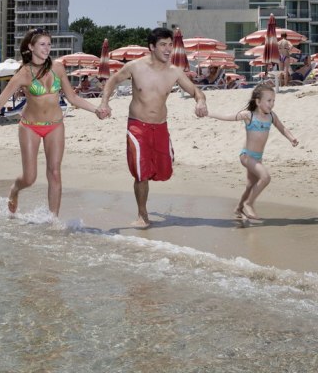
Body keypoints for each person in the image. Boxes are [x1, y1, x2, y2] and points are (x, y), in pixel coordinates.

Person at [0, 28, 107, 217]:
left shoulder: (58, 68)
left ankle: (53, 220)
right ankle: (15, 189)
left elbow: (73, 97)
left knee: (55, 173)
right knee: (29, 178)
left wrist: (96, 110)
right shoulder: (23, 74)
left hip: (55, 125)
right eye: (42, 44)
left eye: (49, 44)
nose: (47, 48)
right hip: (30, 127)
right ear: (31, 47)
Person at [97, 27, 208, 228]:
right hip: (137, 126)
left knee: (164, 171)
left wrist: (200, 102)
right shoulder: (135, 67)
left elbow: (196, 91)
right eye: (163, 45)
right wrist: (105, 102)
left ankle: (146, 206)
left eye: (170, 45)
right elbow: (112, 80)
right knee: (141, 172)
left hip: (160, 127)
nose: (168, 49)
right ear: (151, 47)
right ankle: (142, 214)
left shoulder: (174, 72)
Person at [207, 84, 298, 220]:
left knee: (250, 185)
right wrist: (208, 113)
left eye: (273, 100)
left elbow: (282, 128)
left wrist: (291, 138)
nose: (272, 104)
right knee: (265, 178)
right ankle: (248, 203)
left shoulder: (271, 116)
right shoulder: (249, 115)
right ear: (258, 101)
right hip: (247, 156)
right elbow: (227, 117)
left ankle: (239, 208)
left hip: (257, 158)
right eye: (269, 100)